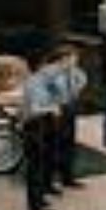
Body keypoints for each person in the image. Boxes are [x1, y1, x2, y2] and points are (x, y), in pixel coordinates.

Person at [46, 44, 88, 190]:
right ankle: (49, 180)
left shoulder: (73, 72)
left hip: (69, 108)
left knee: (69, 144)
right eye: (73, 58)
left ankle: (67, 177)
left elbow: (83, 79)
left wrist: (76, 87)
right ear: (64, 58)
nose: (76, 61)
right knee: (54, 146)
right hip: (56, 110)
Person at [23, 55, 60, 210]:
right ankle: (35, 205)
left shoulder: (38, 82)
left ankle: (39, 199)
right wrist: (51, 109)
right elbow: (34, 109)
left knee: (39, 165)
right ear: (40, 67)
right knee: (35, 167)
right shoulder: (34, 84)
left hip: (38, 126)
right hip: (33, 126)